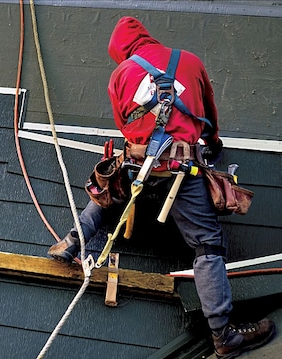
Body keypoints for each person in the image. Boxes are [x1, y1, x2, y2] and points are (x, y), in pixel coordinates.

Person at [48, 16, 275, 359]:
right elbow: (208, 116)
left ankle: (71, 241)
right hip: (180, 170)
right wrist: (211, 143)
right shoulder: (190, 61)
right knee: (207, 246)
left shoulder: (120, 74)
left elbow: (125, 124)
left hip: (138, 163)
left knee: (108, 190)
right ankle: (223, 336)